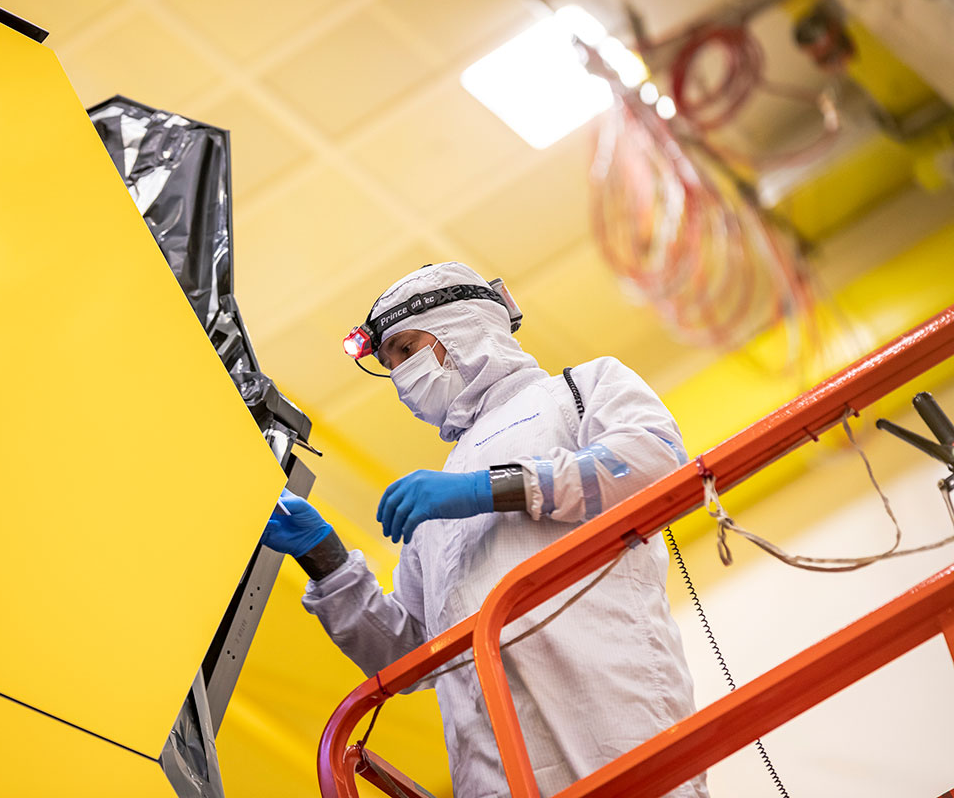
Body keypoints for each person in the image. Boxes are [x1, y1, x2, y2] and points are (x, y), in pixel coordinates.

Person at [263, 261, 708, 798]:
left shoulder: (579, 390)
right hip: (493, 766)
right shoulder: (439, 497)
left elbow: (653, 461)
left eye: (407, 349)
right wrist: (326, 559)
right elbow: (409, 656)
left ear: (463, 325)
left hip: (610, 714)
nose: (401, 375)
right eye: (390, 363)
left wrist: (486, 490)